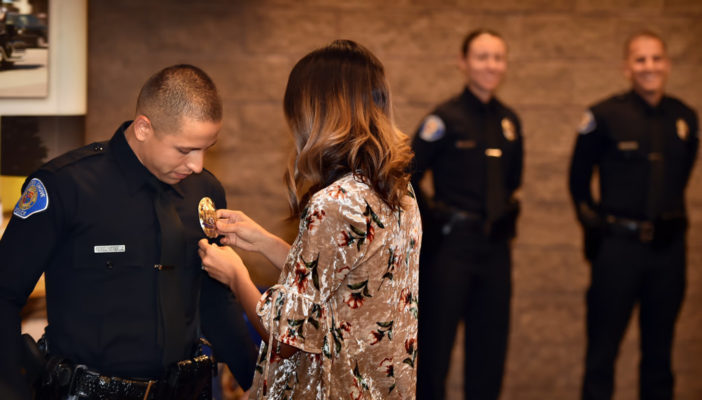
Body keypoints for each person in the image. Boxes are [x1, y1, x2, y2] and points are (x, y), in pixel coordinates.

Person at [0, 64, 257, 399]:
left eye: (206, 148)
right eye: (184, 150)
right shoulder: (65, 186)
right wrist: (11, 389)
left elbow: (213, 301)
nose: (197, 164)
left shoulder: (204, 191)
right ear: (143, 129)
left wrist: (259, 383)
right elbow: (4, 293)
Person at [198, 39, 421, 399]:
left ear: (316, 112)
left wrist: (235, 274)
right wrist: (261, 240)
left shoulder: (334, 203)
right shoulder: (398, 191)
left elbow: (287, 339)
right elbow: (344, 283)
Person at [569, 31, 699, 400]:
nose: (650, 67)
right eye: (641, 60)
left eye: (657, 59)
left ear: (667, 65)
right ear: (627, 68)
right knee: (601, 355)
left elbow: (682, 176)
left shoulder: (685, 117)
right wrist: (597, 235)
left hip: (668, 252)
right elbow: (578, 183)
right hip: (618, 251)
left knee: (660, 355)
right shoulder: (603, 115)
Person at [410, 29, 523, 400]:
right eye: (482, 56)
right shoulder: (444, 119)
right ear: (463, 63)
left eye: (497, 57)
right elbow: (406, 175)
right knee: (435, 351)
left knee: (490, 353)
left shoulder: (509, 122)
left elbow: (512, 182)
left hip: (495, 250)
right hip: (451, 251)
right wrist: (434, 220)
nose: (491, 65)